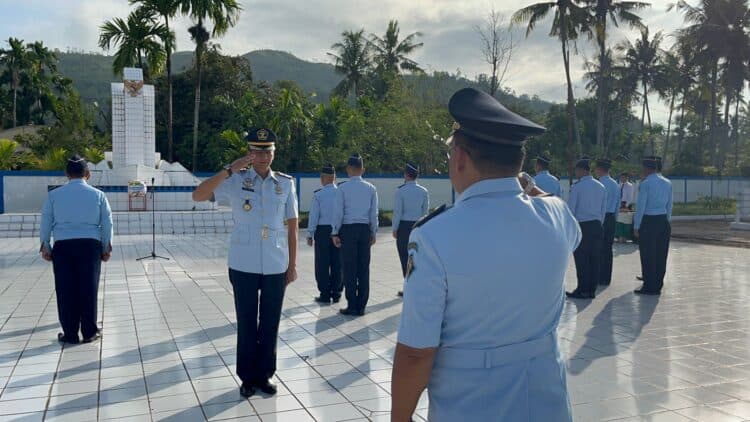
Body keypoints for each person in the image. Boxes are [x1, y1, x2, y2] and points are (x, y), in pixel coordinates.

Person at [391, 87, 580, 422]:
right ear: (519, 162)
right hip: (547, 403)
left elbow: (416, 355)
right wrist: (522, 184)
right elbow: (551, 203)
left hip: (472, 406)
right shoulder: (557, 215)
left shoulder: (433, 235)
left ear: (461, 158)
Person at [192, 128, 298, 398]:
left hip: (276, 262)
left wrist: (293, 264)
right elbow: (198, 195)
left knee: (271, 321)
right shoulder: (235, 181)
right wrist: (228, 169)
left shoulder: (285, 183)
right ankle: (247, 377)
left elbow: (293, 227)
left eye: (268, 151)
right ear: (249, 153)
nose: (263, 156)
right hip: (243, 262)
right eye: (257, 151)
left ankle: (265, 375)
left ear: (274, 153)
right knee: (247, 321)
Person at [40, 155, 112, 345]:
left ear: (67, 174)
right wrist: (105, 247)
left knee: (65, 290)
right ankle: (89, 332)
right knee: (89, 288)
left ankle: (70, 334)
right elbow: (107, 223)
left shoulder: (54, 195)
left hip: (63, 247)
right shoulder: (98, 195)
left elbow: (46, 221)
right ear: (87, 174)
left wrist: (45, 245)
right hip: (90, 246)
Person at [331, 154, 378, 316]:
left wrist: (335, 232)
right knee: (363, 268)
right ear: (363, 170)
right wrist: (373, 232)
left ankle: (352, 305)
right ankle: (362, 306)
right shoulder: (371, 188)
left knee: (349, 268)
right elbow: (374, 214)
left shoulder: (342, 188)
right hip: (364, 230)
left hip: (348, 230)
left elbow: (338, 213)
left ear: (348, 169)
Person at [566, 158, 606, 299]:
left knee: (582, 259)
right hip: (596, 226)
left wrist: (570, 230)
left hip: (582, 226)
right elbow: (603, 210)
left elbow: (571, 211)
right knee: (594, 259)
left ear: (582, 170)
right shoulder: (600, 186)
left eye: (576, 170)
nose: (576, 173)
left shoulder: (577, 187)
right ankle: (591, 290)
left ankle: (582, 289)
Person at [634, 156, 673, 295]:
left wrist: (637, 226)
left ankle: (649, 286)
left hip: (649, 220)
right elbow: (670, 205)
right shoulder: (667, 182)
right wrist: (666, 221)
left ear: (646, 169)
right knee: (661, 254)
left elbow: (641, 206)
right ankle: (658, 284)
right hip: (663, 220)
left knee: (648, 254)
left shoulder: (646, 183)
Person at [393, 162, 429, 297]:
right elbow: (425, 212)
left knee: (405, 257)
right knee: (417, 257)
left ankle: (408, 286)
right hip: (418, 226)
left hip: (403, 227)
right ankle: (417, 286)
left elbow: (397, 212)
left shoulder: (400, 191)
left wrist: (395, 228)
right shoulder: (423, 191)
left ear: (406, 174)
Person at [307, 163, 342, 304]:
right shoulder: (341, 193)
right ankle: (337, 293)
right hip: (338, 231)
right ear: (334, 177)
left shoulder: (318, 195)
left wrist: (310, 234)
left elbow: (314, 216)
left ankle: (325, 294)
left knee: (322, 264)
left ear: (323, 178)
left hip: (322, 232)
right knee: (337, 263)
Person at [595, 158, 619, 286]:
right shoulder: (615, 184)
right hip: (611, 218)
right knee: (608, 249)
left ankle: (599, 276)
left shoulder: (598, 183)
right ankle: (606, 277)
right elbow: (617, 204)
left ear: (599, 169)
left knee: (598, 248)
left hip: (600, 218)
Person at [616, 173, 635, 242]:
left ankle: (624, 237)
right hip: (620, 204)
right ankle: (619, 236)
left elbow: (630, 197)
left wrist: (626, 206)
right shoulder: (619, 185)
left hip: (626, 204)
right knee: (619, 220)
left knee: (626, 221)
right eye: (621, 177)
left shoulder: (630, 186)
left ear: (627, 178)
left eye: (624, 177)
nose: (622, 179)